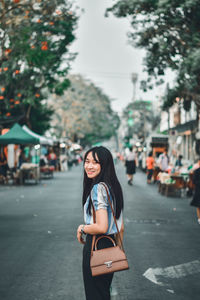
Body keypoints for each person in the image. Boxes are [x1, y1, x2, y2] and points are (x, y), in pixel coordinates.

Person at [76, 146, 124, 300]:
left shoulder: (98, 189)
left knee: (95, 295)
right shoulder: (113, 186)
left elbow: (102, 226)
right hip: (110, 245)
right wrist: (117, 249)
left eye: (95, 163)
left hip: (95, 246)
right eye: (87, 161)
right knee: (103, 293)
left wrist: (82, 228)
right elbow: (121, 226)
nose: (89, 166)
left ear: (105, 165)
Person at [190, 158, 200, 224]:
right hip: (198, 189)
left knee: (198, 205)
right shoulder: (196, 171)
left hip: (198, 190)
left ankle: (199, 218)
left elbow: (194, 181)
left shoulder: (196, 171)